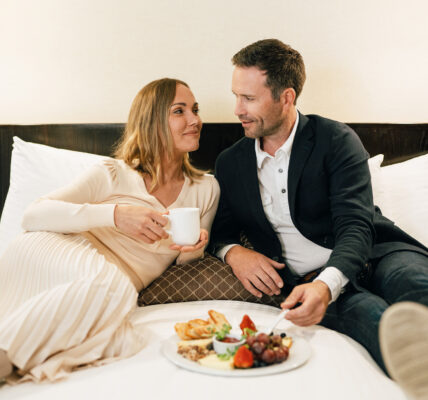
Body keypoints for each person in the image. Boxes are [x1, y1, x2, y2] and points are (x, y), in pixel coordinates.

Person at [208, 38, 428, 378]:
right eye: (236, 95)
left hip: (379, 254)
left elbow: (355, 225)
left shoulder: (336, 140)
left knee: (417, 286)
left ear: (287, 97)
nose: (237, 109)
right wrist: (234, 253)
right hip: (307, 284)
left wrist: (328, 283)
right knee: (382, 326)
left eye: (248, 98)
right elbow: (219, 234)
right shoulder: (230, 163)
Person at [0, 78, 220, 383]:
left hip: (96, 286)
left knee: (122, 338)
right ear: (152, 121)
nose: (195, 120)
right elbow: (33, 215)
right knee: (114, 288)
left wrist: (194, 250)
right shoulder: (113, 173)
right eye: (179, 111)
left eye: (195, 110)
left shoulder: (206, 188)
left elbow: (184, 259)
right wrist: (115, 215)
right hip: (51, 251)